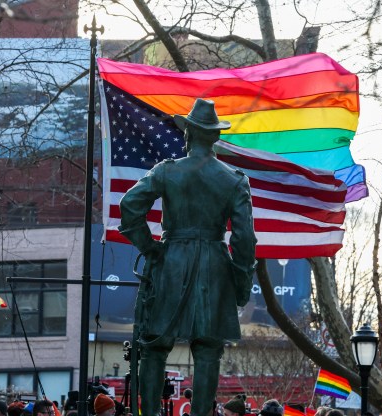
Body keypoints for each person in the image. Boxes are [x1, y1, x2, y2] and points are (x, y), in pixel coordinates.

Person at [120, 97, 257, 416]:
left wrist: (150, 248)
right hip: (214, 264)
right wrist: (241, 281)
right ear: (215, 138)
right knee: (208, 348)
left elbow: (130, 207)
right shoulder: (234, 180)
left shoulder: (167, 171)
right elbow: (244, 238)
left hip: (171, 262)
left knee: (154, 346)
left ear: (188, 135)